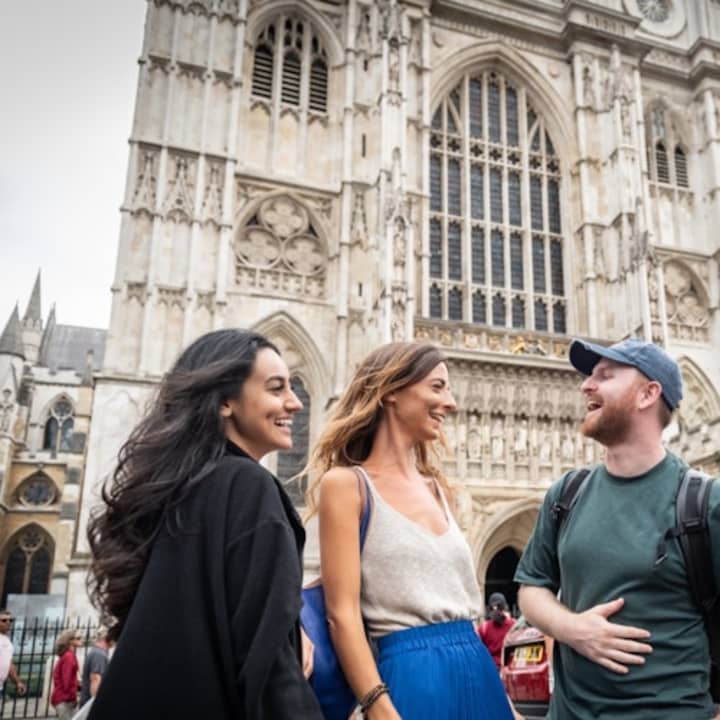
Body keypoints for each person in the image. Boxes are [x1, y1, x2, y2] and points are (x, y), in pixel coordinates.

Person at [86, 329, 323, 719]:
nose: (295, 402)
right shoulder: (248, 487)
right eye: (276, 388)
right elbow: (268, 669)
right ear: (226, 400)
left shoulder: (173, 489)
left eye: (292, 387)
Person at [304, 341, 516, 720]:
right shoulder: (347, 486)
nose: (450, 402)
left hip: (478, 670)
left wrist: (509, 707)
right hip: (411, 674)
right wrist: (377, 704)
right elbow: (342, 615)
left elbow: (463, 611)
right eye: (437, 387)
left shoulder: (442, 492)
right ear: (391, 392)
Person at [515, 338, 720, 719]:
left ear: (647, 394)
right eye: (589, 376)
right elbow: (531, 588)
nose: (586, 385)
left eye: (605, 376)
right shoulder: (567, 494)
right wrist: (573, 629)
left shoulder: (705, 503)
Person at [478, 593, 515, 670]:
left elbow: (479, 652)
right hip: (509, 669)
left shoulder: (484, 628)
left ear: (489, 609)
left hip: (491, 670)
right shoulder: (514, 625)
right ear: (505, 607)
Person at [51, 629, 81, 720]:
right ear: (70, 641)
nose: (81, 640)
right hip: (64, 699)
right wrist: (74, 697)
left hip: (64, 698)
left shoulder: (68, 655)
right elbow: (67, 681)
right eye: (78, 638)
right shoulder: (69, 656)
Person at [79, 628, 112, 707]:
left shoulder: (96, 652)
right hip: (90, 704)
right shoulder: (99, 655)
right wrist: (96, 705)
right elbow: (95, 679)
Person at [0, 610, 25, 698]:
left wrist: (18, 682)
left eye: (10, 620)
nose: (8, 623)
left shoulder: (7, 641)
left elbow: (9, 665)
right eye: (4, 620)